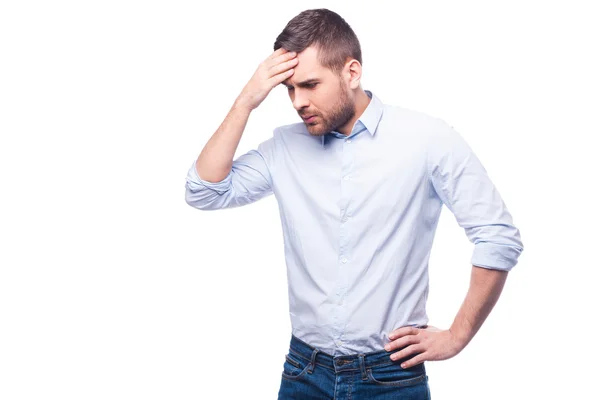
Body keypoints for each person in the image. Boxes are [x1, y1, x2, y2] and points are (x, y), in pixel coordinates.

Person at [184, 8, 524, 400]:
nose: (298, 101)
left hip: (391, 377)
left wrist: (457, 336)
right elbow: (204, 192)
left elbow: (497, 237)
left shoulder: (427, 139)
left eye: (310, 85)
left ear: (352, 72)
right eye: (289, 89)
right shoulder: (284, 148)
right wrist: (246, 101)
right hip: (303, 372)